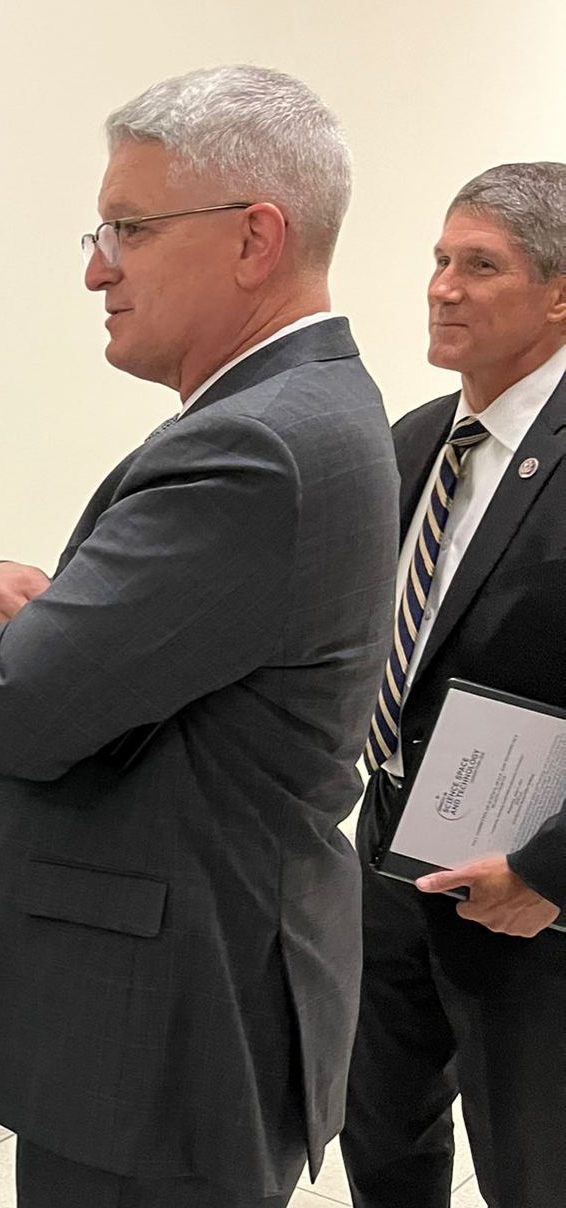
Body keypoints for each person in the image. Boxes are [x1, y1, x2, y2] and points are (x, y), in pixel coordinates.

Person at [0, 66, 399, 1207]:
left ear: (253, 238)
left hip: (155, 1034)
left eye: (128, 229)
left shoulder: (251, 450)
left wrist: (8, 612)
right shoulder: (301, 413)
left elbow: (13, 709)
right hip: (197, 991)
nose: (96, 266)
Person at [342, 162, 566, 1208]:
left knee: (533, 1161)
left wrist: (550, 868)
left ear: (557, 292)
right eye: (437, 259)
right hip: (384, 857)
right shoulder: (415, 440)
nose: (439, 286)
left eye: (478, 265)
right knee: (379, 1133)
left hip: (531, 897)